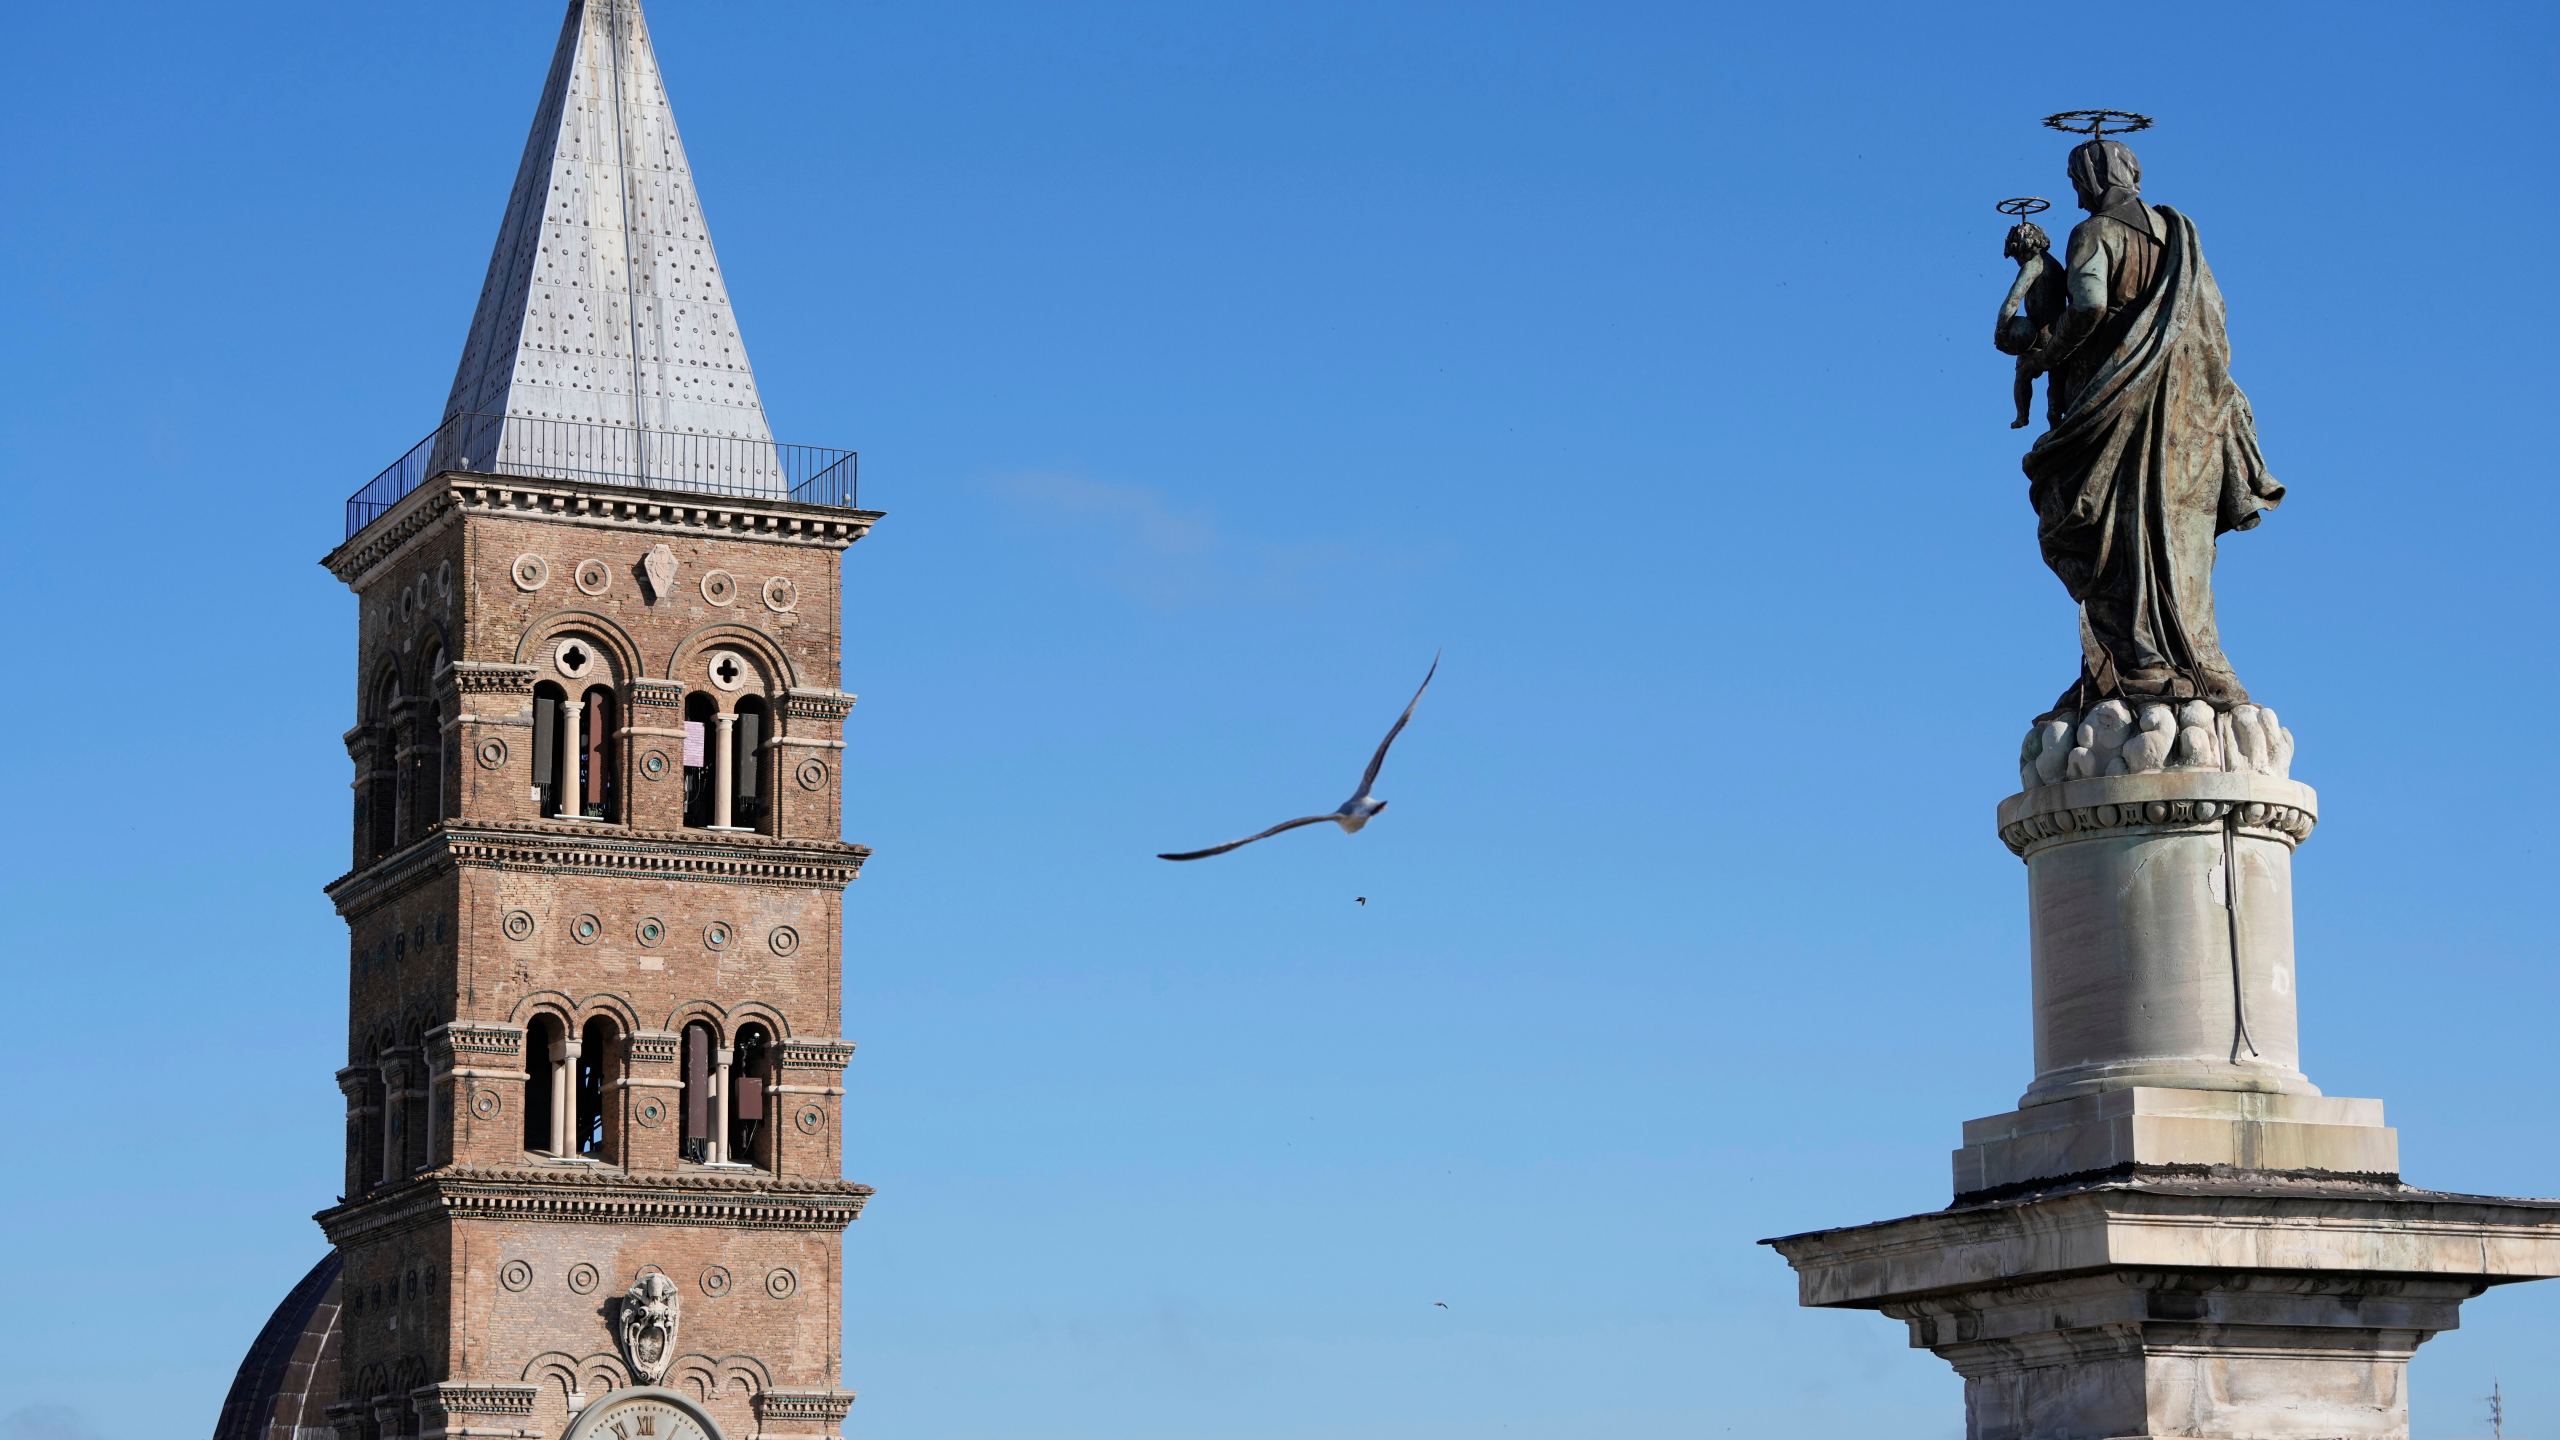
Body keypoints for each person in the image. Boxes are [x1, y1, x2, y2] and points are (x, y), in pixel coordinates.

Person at [2003, 138, 2285, 715]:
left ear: (2094, 172)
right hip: (2185, 408)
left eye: (2075, 176)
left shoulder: (2095, 234)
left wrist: (2041, 353)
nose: (2075, 189)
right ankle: (2191, 658)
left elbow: (2086, 305)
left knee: (2107, 530)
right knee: (2176, 534)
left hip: (2113, 401)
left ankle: (2142, 662)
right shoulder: (2182, 240)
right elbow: (2215, 322)